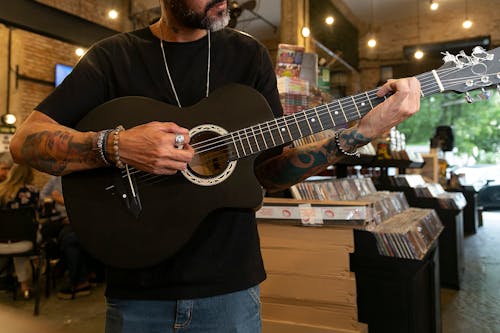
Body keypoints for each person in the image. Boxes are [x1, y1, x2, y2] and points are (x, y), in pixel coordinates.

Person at [9, 0, 421, 332]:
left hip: (231, 293)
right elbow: (25, 142)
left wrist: (359, 133)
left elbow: (271, 173)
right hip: (137, 295)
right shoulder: (114, 57)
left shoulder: (247, 57)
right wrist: (116, 145)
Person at [40, 176, 95, 300]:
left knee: (68, 237)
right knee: (46, 230)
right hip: (62, 217)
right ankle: (62, 266)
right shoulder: (56, 178)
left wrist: (61, 200)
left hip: (80, 219)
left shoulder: (82, 178)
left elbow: (87, 204)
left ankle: (79, 281)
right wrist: (52, 200)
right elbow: (42, 195)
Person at [0, 164, 39, 299]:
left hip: (2, 243)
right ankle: (36, 265)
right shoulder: (32, 191)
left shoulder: (1, 191)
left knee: (15, 239)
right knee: (29, 237)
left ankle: (23, 284)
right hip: (26, 241)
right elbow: (37, 214)